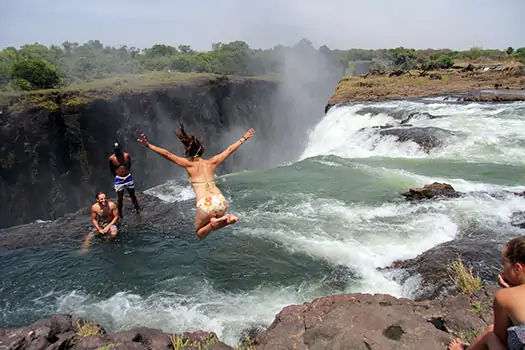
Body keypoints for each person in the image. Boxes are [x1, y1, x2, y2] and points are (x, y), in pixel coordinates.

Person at [137, 123, 255, 239]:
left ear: (188, 152)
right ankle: (224, 219)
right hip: (220, 201)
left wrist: (148, 145)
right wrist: (244, 138)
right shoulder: (212, 162)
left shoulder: (189, 165)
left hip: (205, 204)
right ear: (202, 150)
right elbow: (229, 150)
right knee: (210, 222)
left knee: (199, 233)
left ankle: (217, 222)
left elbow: (168, 155)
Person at [448, 235, 525, 350]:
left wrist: (509, 292)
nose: (502, 270)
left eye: (504, 264)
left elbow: (501, 336)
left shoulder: (504, 297)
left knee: (490, 334)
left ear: (518, 268)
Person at [108, 142, 140, 217]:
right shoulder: (111, 158)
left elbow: (129, 165)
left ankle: (138, 210)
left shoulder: (126, 156)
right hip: (119, 179)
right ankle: (120, 214)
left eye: (118, 149)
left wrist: (127, 172)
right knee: (120, 198)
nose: (117, 151)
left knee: (133, 195)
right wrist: (116, 175)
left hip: (128, 177)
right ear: (114, 150)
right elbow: (111, 168)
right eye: (116, 150)